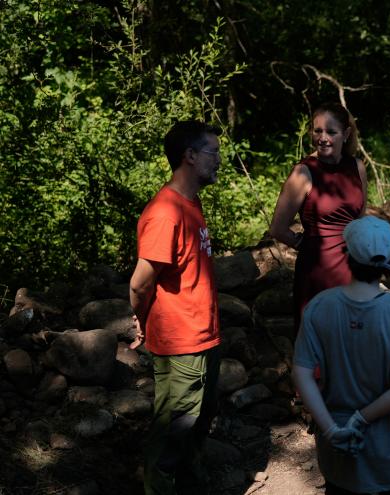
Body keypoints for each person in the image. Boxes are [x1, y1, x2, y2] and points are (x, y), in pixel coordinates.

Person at [292, 216, 390, 495]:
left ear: (346, 254)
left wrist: (331, 430)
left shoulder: (320, 306)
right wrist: (360, 419)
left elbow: (301, 373)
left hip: (340, 458)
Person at [129, 120, 223, 494]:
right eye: (213, 153)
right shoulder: (165, 213)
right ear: (190, 156)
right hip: (181, 341)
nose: (218, 160)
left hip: (204, 336)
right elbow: (140, 283)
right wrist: (141, 318)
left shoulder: (190, 203)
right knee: (173, 430)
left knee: (197, 424)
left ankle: (190, 485)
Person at [270, 102, 367, 337]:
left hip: (352, 267)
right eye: (317, 131)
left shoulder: (357, 167)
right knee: (318, 341)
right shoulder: (303, 172)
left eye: (331, 132)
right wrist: (304, 244)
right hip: (317, 271)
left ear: (346, 134)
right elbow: (278, 228)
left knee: (352, 339)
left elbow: (361, 219)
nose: (322, 138)